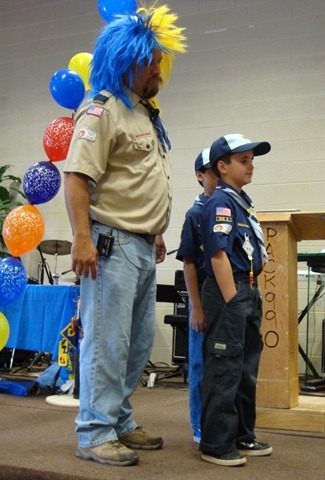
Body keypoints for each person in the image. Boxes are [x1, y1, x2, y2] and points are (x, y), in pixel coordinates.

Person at [63, 5, 186, 467]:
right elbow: (77, 177)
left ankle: (119, 421)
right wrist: (81, 238)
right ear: (126, 59)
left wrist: (154, 230)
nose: (159, 67)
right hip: (109, 245)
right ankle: (94, 432)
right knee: (106, 342)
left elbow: (139, 180)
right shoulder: (102, 110)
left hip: (139, 244)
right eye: (151, 59)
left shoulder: (145, 113)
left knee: (135, 344)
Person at [199, 133, 273, 467]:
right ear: (222, 166)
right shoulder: (220, 202)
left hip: (247, 289)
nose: (250, 166)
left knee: (245, 370)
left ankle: (242, 434)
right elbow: (217, 255)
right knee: (225, 368)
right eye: (243, 161)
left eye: (252, 160)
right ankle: (215, 443)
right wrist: (231, 301)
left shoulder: (242, 201)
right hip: (230, 292)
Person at [176, 148, 218, 444]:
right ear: (200, 176)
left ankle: (220, 420)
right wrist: (196, 308)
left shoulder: (229, 207)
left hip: (225, 297)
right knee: (200, 362)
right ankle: (199, 423)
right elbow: (189, 262)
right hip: (202, 295)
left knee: (222, 362)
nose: (218, 178)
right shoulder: (196, 214)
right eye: (213, 173)